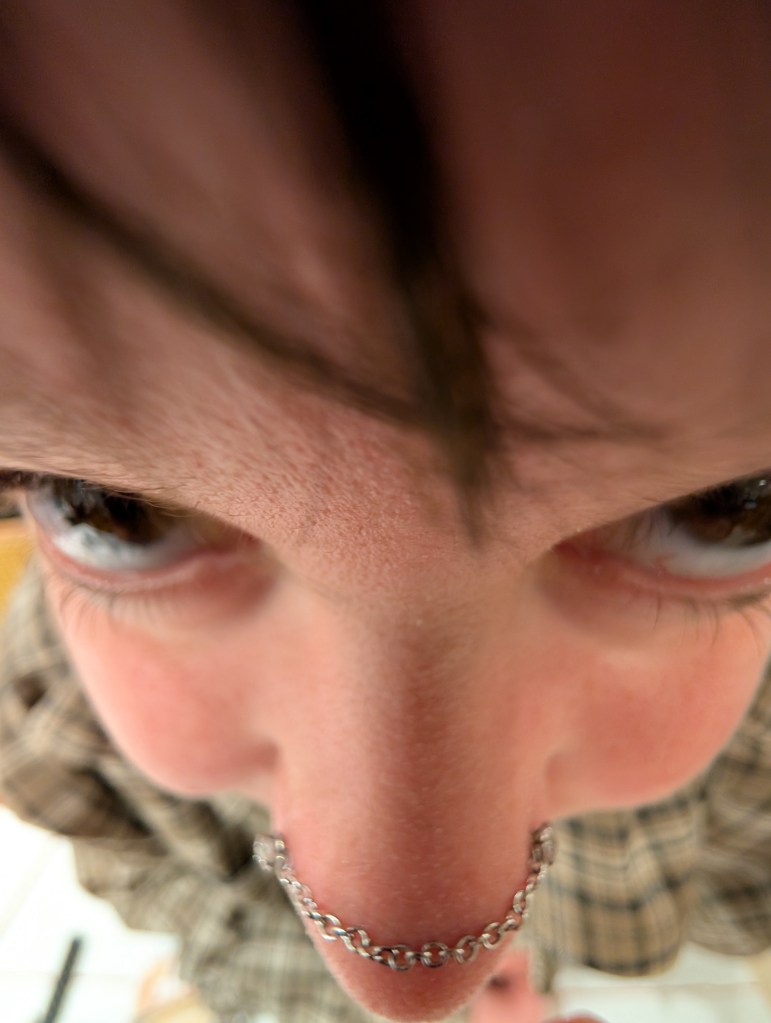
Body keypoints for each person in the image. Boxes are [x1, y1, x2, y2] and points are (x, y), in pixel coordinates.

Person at [1, 2, 771, 1021]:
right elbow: (139, 881)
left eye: (722, 509)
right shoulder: (44, 719)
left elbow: (749, 899)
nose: (412, 981)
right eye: (114, 510)